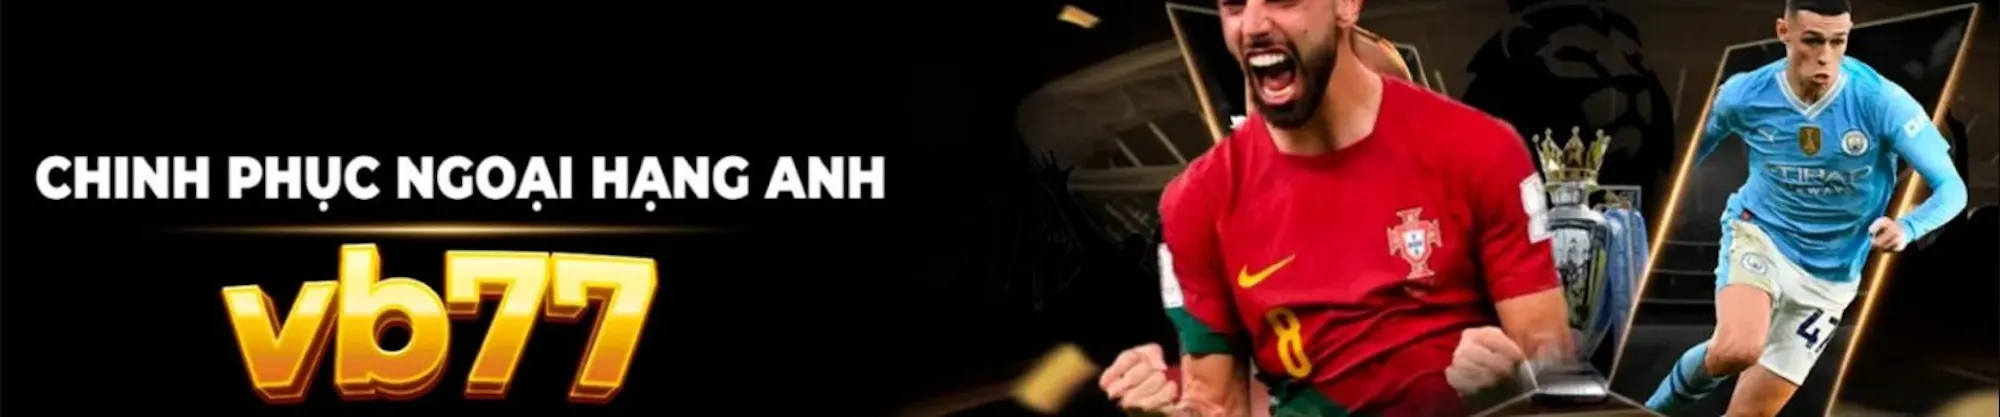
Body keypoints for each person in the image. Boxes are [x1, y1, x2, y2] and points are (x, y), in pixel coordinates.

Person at [1097, 0, 1573, 415]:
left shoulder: (1481, 149)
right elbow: (1214, 407)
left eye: (1283, 0)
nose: (1253, 25)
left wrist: (1511, 387)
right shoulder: (1196, 202)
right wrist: (1160, 409)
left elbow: (1552, 362)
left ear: (1346, 5)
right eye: (1234, 5)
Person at [1641, 1, 1968, 415]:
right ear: (1784, 32)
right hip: (1761, 234)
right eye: (1812, 40)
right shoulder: (1743, 95)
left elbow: (1951, 188)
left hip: (1831, 277)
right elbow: (1683, 158)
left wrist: (1908, 227)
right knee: (1737, 348)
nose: (1825, 56)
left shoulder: (1881, 100)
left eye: (1838, 41)